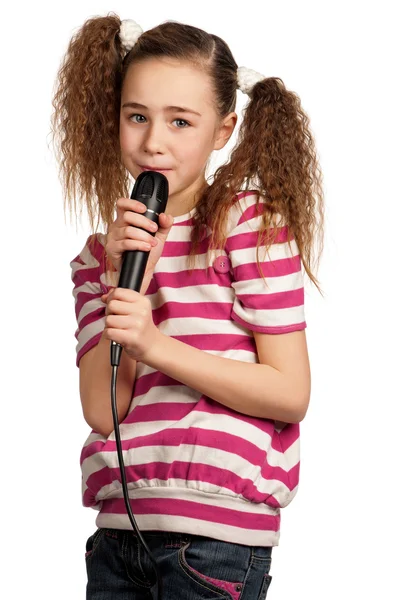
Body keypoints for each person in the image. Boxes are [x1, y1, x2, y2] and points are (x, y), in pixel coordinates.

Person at [51, 12, 324, 600]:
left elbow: (289, 391)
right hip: (119, 538)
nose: (154, 141)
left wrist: (155, 344)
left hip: (214, 543)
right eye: (137, 117)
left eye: (181, 121)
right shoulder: (98, 257)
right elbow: (104, 409)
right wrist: (122, 282)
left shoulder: (248, 223)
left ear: (223, 130)